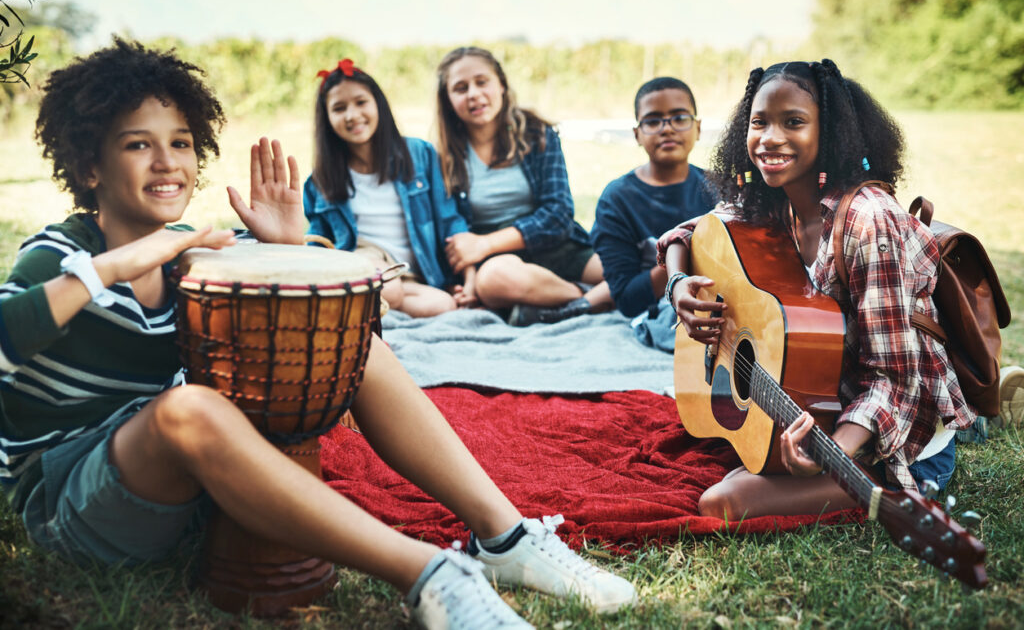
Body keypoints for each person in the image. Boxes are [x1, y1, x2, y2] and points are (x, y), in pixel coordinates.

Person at [0, 39, 636, 628]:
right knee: (186, 409)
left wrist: (286, 243)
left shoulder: (187, 255)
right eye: (138, 144)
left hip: (184, 492)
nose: (168, 162)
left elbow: (315, 307)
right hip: (71, 500)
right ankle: (433, 576)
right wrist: (112, 267)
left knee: (357, 347)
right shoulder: (58, 257)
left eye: (183, 142)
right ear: (89, 165)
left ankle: (506, 538)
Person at [658, 59, 975, 520]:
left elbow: (893, 379)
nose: (769, 139)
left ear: (831, 134)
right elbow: (686, 234)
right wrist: (678, 284)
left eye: (794, 123)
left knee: (724, 501)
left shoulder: (868, 221)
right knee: (733, 474)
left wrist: (832, 452)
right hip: (817, 403)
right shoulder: (769, 200)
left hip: (896, 440)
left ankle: (923, 467)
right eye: (759, 123)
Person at [434, 46, 612, 325]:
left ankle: (560, 301)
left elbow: (558, 214)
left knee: (632, 269)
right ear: (447, 100)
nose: (473, 94)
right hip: (497, 263)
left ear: (501, 85)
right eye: (460, 88)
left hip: (555, 245)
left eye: (482, 82)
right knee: (493, 280)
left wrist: (485, 243)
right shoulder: (443, 156)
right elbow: (453, 230)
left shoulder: (538, 134)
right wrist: (469, 279)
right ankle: (586, 299)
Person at [303, 59, 468, 318]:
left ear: (378, 103)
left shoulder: (419, 154)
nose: (352, 115)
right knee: (388, 288)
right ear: (327, 119)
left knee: (443, 305)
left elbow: (449, 218)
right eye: (339, 108)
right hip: (363, 258)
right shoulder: (320, 181)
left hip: (410, 272)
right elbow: (318, 242)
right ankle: (377, 299)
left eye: (361, 102)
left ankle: (374, 308)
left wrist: (468, 276)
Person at [591, 76, 715, 320]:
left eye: (679, 118)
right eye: (653, 121)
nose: (666, 128)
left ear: (698, 128)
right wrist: (684, 257)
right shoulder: (616, 200)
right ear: (637, 134)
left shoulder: (721, 189)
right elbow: (627, 300)